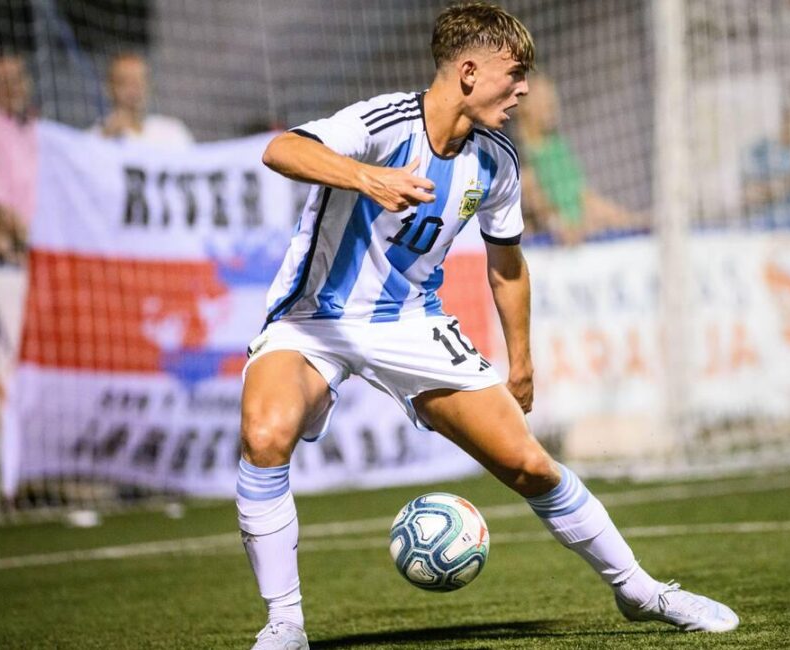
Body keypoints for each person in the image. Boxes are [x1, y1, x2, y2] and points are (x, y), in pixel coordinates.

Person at [237, 3, 739, 647]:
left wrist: (521, 361)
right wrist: (368, 178)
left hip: (412, 323)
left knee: (530, 466)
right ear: (469, 72)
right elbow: (281, 149)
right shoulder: (382, 124)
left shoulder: (497, 160)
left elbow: (507, 266)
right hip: (313, 322)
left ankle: (641, 591)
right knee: (265, 432)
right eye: (516, 73)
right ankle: (285, 626)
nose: (524, 88)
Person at [513, 74, 639, 244]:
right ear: (524, 106)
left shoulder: (558, 148)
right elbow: (536, 200)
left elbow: (585, 198)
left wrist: (630, 221)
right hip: (542, 248)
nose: (552, 105)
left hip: (580, 240)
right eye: (544, 99)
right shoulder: (517, 152)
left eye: (552, 98)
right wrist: (559, 225)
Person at [0, 53, 36, 265]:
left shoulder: (33, 127)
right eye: (3, 82)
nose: (12, 88)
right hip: (10, 257)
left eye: (17, 79)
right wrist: (35, 242)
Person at [90, 52, 193, 148]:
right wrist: (105, 137)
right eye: (124, 82)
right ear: (110, 88)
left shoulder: (173, 132)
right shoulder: (94, 138)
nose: (133, 91)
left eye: (138, 82)